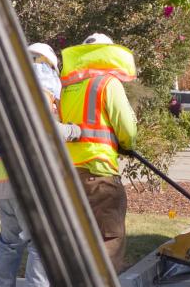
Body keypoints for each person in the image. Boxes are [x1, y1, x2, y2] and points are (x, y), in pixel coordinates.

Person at [0, 43, 76, 287]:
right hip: (31, 179)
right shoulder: (44, 78)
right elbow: (43, 127)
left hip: (2, 178)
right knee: (43, 244)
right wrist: (75, 130)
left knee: (8, 245)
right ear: (50, 63)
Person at [58, 33, 138, 271]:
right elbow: (126, 127)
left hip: (70, 174)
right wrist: (127, 144)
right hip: (99, 173)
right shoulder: (107, 83)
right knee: (108, 239)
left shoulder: (68, 88)